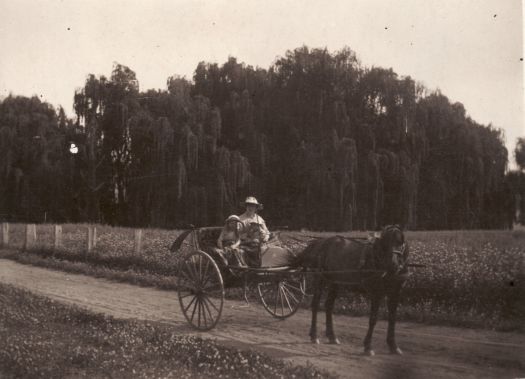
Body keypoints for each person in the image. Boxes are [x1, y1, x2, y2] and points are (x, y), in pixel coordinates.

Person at [238, 196, 270, 267]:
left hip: (260, 242)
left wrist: (266, 236)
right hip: (246, 243)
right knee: (253, 249)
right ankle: (253, 267)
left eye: (253, 206)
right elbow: (237, 234)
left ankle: (265, 265)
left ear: (256, 208)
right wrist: (246, 236)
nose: (251, 208)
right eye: (249, 205)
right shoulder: (240, 219)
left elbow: (266, 231)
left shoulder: (259, 218)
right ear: (246, 206)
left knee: (270, 250)